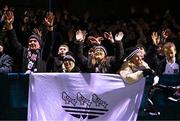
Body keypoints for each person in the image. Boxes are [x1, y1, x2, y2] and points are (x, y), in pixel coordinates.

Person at [144, 42, 180, 116]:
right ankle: (152, 109)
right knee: (152, 90)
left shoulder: (178, 63)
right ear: (164, 53)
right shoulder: (162, 63)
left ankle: (177, 95)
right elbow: (157, 75)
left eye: (171, 53)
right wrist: (155, 82)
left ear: (175, 52)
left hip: (177, 87)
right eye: (167, 53)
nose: (169, 55)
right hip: (165, 86)